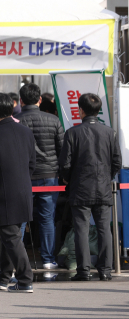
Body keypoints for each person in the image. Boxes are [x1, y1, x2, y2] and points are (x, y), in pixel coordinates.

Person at [59, 93, 121, 282]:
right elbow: (117, 161)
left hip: (80, 188)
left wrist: (69, 179)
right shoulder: (109, 133)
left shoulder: (73, 133)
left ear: (81, 110)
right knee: (104, 230)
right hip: (102, 187)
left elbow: (65, 164)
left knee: (81, 230)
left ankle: (83, 271)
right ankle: (105, 270)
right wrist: (106, 176)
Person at [0, 93, 35, 293]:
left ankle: (25, 279)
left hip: (2, 194)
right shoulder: (26, 132)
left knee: (11, 237)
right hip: (23, 191)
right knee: (10, 236)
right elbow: (32, 164)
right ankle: (3, 277)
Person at [15, 83, 64, 270]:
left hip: (23, 176)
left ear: (21, 100)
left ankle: (17, 259)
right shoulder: (53, 120)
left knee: (19, 218)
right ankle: (48, 259)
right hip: (49, 176)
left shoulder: (15, 121)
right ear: (40, 100)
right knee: (47, 218)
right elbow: (62, 150)